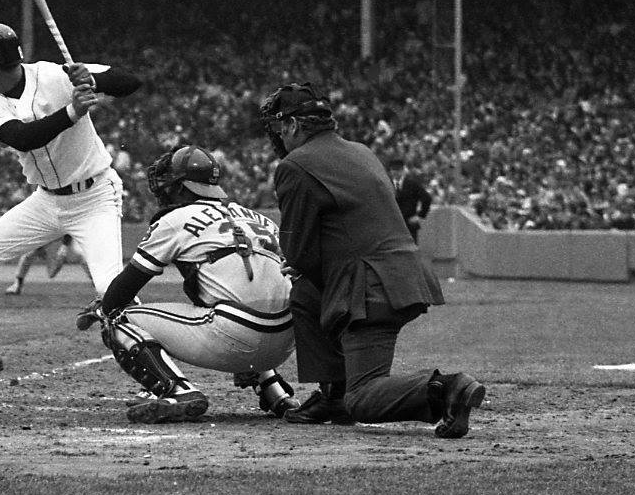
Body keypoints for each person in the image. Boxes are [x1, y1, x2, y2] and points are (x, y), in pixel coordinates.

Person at [259, 83, 485, 438]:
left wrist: (305, 266)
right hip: (403, 275)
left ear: (291, 125)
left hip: (370, 288)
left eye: (277, 126)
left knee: (363, 398)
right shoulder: (361, 151)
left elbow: (298, 251)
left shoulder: (296, 164)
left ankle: (448, 388)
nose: (277, 135)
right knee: (305, 296)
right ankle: (333, 396)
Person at [0, 22, 142, 398]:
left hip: (95, 197)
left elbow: (129, 81)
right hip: (47, 200)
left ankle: (159, 379)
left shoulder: (56, 74)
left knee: (110, 289)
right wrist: (72, 111)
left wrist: (93, 79)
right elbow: (23, 137)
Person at [76, 145, 300, 424]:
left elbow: (125, 287)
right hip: (286, 340)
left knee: (116, 318)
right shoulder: (257, 217)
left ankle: (178, 391)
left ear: (181, 188)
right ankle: (276, 393)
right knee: (238, 297)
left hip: (236, 335)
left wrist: (103, 307)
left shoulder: (175, 220)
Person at [5, 234, 88, 295]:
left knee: (81, 254)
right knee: (30, 253)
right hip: (52, 232)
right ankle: (17, 284)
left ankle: (97, 285)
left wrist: (64, 246)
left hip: (70, 234)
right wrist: (40, 245)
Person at [388, 157, 433, 243]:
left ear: (402, 170)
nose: (395, 172)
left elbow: (427, 198)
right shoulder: (387, 184)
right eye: (393, 170)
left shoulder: (412, 184)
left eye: (397, 170)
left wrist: (420, 215)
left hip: (409, 224)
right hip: (392, 225)